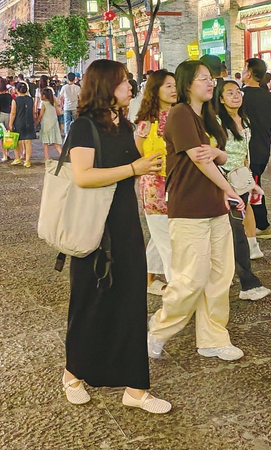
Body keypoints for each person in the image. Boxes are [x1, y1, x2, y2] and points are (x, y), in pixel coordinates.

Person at [61, 59, 170, 413]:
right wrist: (134, 167)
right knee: (90, 301)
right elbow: (83, 175)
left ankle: (136, 388)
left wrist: (143, 159)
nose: (130, 87)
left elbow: (132, 168)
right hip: (94, 227)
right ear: (106, 86)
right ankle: (73, 373)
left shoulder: (124, 125)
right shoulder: (84, 126)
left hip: (125, 224)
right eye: (123, 82)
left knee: (131, 301)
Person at [147, 60, 245, 363]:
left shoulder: (207, 116)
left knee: (220, 276)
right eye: (203, 79)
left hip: (214, 206)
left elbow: (219, 155)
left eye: (210, 78)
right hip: (189, 208)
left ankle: (213, 339)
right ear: (187, 84)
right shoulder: (180, 114)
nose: (210, 83)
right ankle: (158, 329)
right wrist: (230, 189)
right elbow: (199, 160)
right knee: (191, 278)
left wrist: (218, 153)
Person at [215, 79, 271, 298]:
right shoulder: (217, 121)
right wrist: (222, 184)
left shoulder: (245, 120)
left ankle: (225, 275)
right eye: (230, 93)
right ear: (221, 99)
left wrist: (250, 181)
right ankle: (248, 283)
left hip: (240, 180)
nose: (236, 96)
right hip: (223, 180)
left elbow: (245, 152)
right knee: (236, 231)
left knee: (229, 230)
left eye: (238, 92)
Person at [134, 70, 177, 296]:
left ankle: (148, 279)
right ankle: (178, 291)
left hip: (179, 184)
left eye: (175, 85)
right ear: (156, 90)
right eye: (168, 86)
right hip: (155, 188)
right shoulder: (147, 122)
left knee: (162, 236)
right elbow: (140, 153)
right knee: (167, 241)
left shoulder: (182, 114)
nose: (174, 90)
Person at [241, 58, 271, 239]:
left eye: (245, 68)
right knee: (253, 183)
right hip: (262, 148)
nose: (243, 71)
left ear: (250, 73)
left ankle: (262, 225)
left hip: (246, 150)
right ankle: (254, 223)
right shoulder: (268, 96)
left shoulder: (240, 96)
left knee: (252, 185)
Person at [9, 82, 36, 167]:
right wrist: (34, 120)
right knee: (28, 142)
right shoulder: (30, 99)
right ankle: (27, 161)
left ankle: (17, 158)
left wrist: (10, 124)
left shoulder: (15, 100)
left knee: (16, 141)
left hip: (19, 122)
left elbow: (13, 113)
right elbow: (33, 111)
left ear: (16, 90)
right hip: (29, 122)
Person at [36, 86, 63, 162]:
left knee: (45, 143)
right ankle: (62, 155)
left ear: (45, 96)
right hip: (54, 124)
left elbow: (41, 115)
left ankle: (47, 158)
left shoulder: (44, 103)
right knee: (55, 143)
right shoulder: (53, 103)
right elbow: (58, 112)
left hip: (46, 125)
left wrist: (36, 121)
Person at [0, 79, 13, 162]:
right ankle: (8, 153)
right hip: (9, 115)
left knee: (2, 136)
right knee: (8, 135)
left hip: (1, 115)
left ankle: (4, 155)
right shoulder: (9, 96)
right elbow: (11, 106)